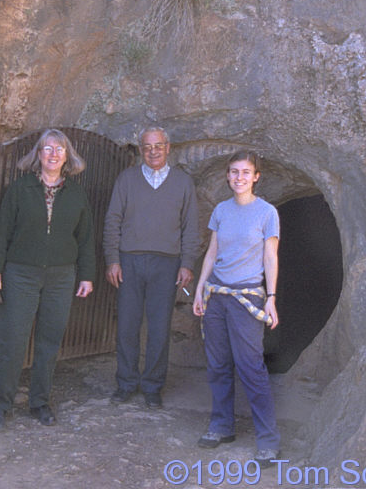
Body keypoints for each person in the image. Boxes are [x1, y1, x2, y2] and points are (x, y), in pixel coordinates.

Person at [0, 129, 95, 431]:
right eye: (47, 149)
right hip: (21, 273)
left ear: (67, 156)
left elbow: (85, 239)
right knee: (13, 338)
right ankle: (1, 404)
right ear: (38, 155)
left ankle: (39, 402)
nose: (53, 154)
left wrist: (86, 275)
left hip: (61, 276)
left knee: (49, 341)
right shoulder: (20, 189)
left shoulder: (76, 194)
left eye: (59, 149)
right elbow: (2, 231)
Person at [192, 150, 281, 466]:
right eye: (234, 172)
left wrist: (271, 298)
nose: (239, 177)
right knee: (217, 364)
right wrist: (201, 289)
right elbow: (212, 252)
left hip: (247, 298)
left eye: (246, 172)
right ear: (227, 176)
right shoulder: (221, 210)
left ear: (256, 177)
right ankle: (221, 426)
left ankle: (268, 440)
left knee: (250, 366)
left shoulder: (267, 213)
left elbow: (270, 257)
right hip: (217, 295)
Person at [103, 126, 200, 409]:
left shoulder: (183, 183)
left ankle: (153, 386)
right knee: (127, 326)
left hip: (166, 263)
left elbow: (190, 228)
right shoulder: (127, 179)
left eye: (158, 146)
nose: (153, 151)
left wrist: (187, 264)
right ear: (140, 150)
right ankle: (126, 383)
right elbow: (112, 221)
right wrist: (113, 259)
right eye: (147, 147)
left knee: (159, 328)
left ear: (168, 148)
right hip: (130, 261)